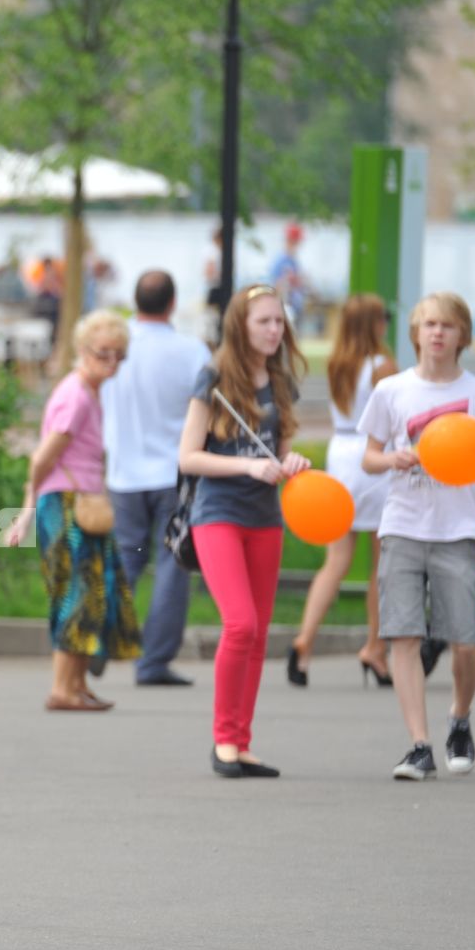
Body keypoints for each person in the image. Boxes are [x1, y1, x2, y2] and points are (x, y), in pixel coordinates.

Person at [359, 291, 475, 781]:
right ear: (415, 333)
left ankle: (459, 718)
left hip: (458, 529)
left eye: (447, 326)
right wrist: (392, 458)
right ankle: (419, 745)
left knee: (465, 641)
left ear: (462, 336)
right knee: (403, 636)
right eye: (428, 324)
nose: (437, 332)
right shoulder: (392, 390)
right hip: (403, 524)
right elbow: (368, 455)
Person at [177, 285, 312, 778]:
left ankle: (240, 741)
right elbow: (188, 456)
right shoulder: (213, 377)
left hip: (265, 519)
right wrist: (248, 469)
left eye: (279, 321)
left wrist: (290, 463)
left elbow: (282, 451)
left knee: (258, 636)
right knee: (241, 624)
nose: (275, 330)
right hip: (218, 514)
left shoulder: (280, 380)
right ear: (240, 325)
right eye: (264, 322)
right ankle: (223, 742)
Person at [3, 311, 141, 710]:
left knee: (93, 592)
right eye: (103, 353)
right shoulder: (77, 395)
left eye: (119, 355)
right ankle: (63, 688)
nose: (111, 362)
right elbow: (42, 457)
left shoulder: (90, 391)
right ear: (83, 351)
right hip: (65, 504)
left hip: (81, 502)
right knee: (75, 593)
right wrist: (27, 508)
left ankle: (77, 683)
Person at [101, 270, 207, 687]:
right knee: (171, 563)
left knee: (127, 556)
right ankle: (154, 660)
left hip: (123, 471)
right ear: (172, 303)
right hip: (172, 472)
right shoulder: (191, 350)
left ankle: (103, 637)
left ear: (135, 300)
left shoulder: (115, 346)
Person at [288, 293, 397, 688]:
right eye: (382, 317)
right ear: (373, 324)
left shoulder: (338, 363)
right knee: (380, 563)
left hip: (340, 451)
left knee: (336, 560)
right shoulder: (382, 366)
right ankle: (374, 647)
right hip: (373, 456)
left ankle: (304, 640)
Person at [269, 222, 306, 329]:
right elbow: (276, 285)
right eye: (295, 241)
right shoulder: (281, 260)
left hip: (294, 307)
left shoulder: (293, 260)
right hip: (285, 307)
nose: (297, 244)